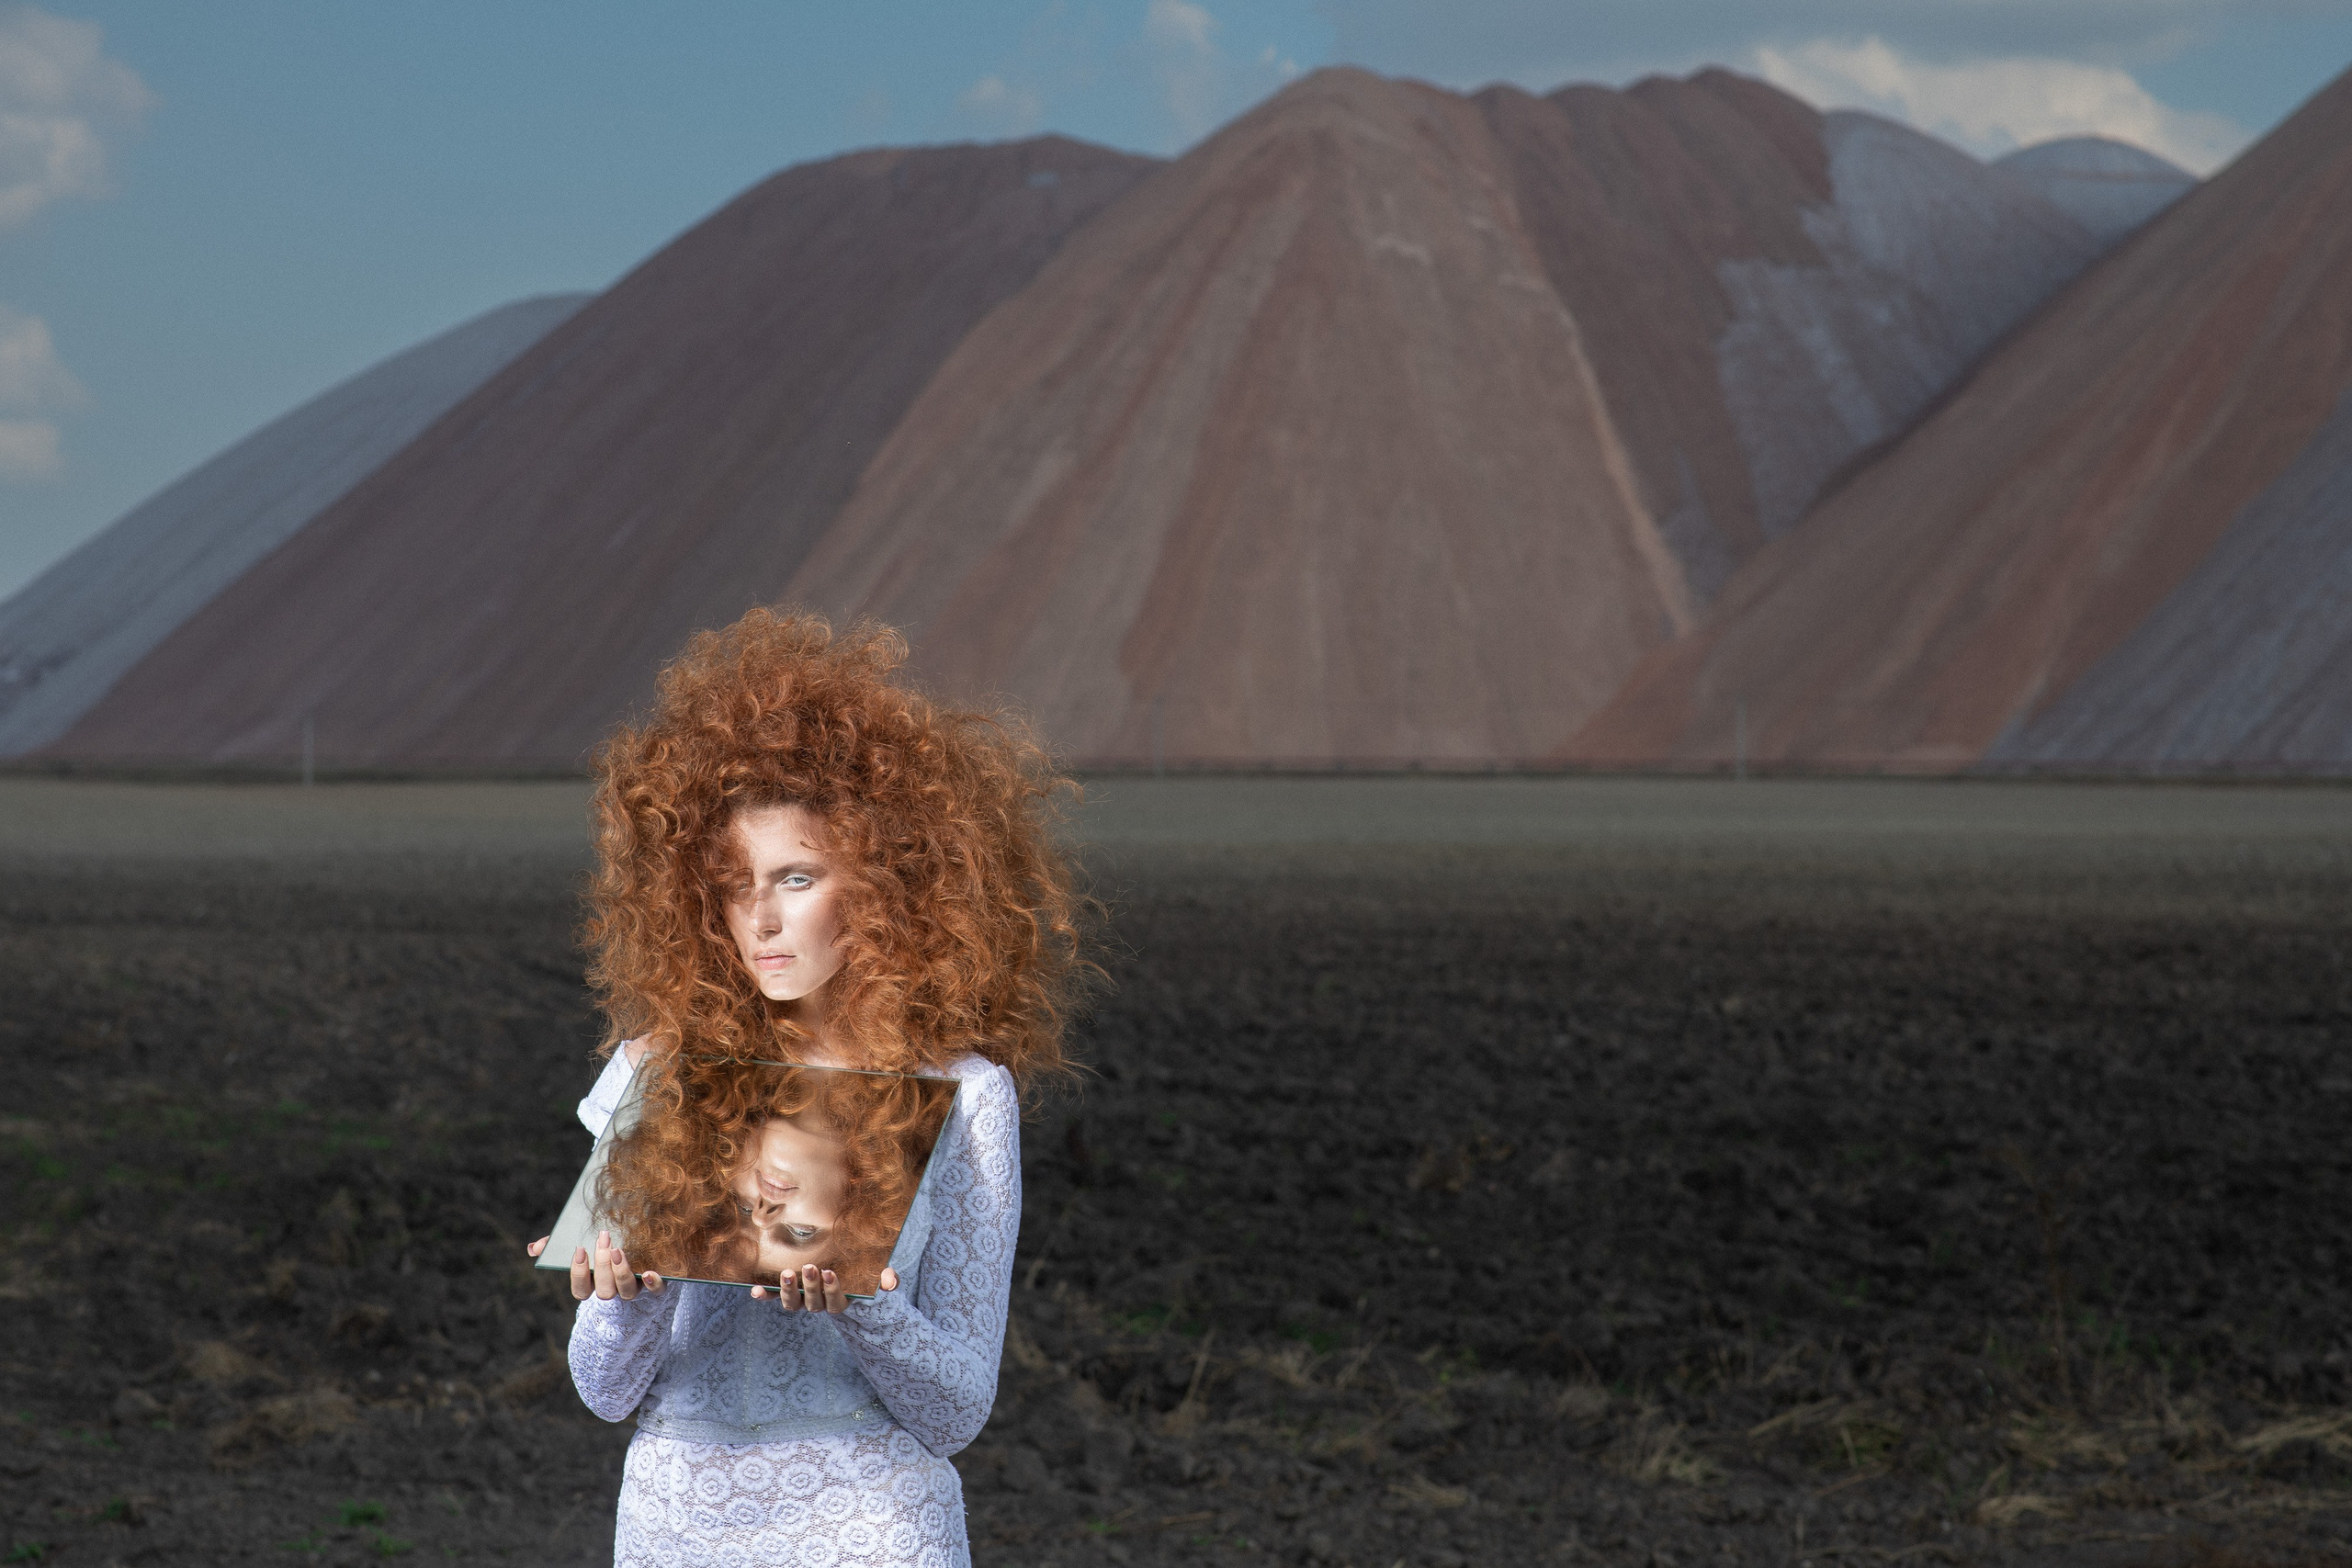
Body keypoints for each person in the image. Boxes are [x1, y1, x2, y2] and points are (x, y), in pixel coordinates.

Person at [526, 610, 1084, 1568]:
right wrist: (627, 1296)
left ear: (880, 884)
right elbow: (605, 1390)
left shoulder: (960, 1093)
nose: (761, 919)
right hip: (675, 1525)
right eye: (734, 884)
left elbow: (955, 1413)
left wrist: (859, 1302)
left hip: (869, 1529)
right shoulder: (660, 1073)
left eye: (795, 877)